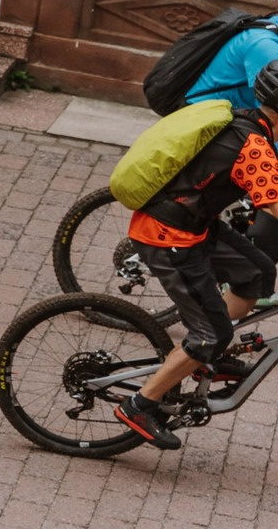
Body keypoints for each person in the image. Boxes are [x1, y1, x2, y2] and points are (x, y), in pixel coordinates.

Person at [113, 60, 278, 450]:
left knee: (255, 274)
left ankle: (208, 355)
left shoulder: (247, 121)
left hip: (193, 223)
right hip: (168, 235)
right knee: (212, 333)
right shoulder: (255, 149)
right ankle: (139, 404)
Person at [183, 15, 278, 112]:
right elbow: (271, 111)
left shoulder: (271, 24)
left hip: (224, 111)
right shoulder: (266, 47)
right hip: (204, 115)